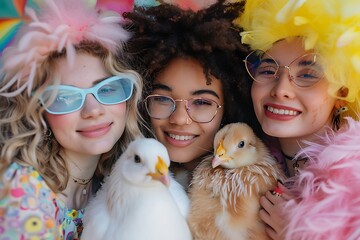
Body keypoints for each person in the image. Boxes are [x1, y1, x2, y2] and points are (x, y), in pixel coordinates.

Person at [0, 0, 143, 239]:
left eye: (106, 89)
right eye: (65, 96)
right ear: (39, 111)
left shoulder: (110, 185)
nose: (93, 110)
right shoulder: (23, 191)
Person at [235, 0, 360, 239]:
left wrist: (297, 232)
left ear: (343, 92)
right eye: (268, 70)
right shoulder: (246, 164)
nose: (281, 89)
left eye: (307, 74)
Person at [124, 0, 259, 188]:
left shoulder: (255, 192)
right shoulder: (121, 181)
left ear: (227, 108)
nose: (179, 119)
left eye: (202, 102)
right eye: (163, 99)